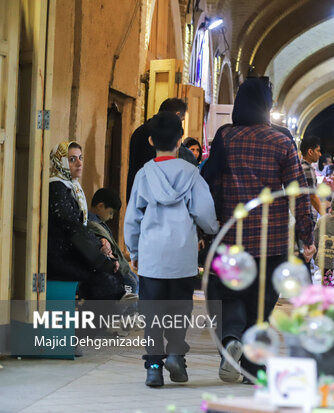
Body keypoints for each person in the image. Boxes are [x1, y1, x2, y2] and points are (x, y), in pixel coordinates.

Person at [203, 78, 315, 383]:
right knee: (261, 303)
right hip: (273, 239)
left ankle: (230, 341)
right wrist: (307, 233)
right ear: (267, 107)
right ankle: (252, 366)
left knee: (230, 294)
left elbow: (208, 178)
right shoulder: (282, 141)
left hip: (232, 236)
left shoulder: (225, 137)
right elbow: (298, 192)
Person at [124, 111, 219, 387]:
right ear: (180, 141)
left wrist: (135, 252)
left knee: (152, 313)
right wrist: (212, 228)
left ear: (151, 140)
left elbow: (133, 218)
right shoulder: (192, 174)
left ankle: (154, 367)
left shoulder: (144, 175)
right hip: (182, 258)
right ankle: (176, 353)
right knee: (179, 310)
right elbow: (204, 213)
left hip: (152, 257)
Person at [47, 141, 125, 300]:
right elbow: (73, 229)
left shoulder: (72, 187)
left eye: (80, 158)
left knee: (115, 276)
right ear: (60, 162)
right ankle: (88, 324)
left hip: (72, 252)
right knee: (108, 281)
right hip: (60, 257)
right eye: (72, 159)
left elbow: (80, 227)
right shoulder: (57, 188)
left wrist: (101, 242)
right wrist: (102, 259)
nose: (79, 163)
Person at [126, 98, 197, 199]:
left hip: (136, 190)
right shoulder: (164, 135)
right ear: (177, 115)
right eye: (181, 120)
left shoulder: (140, 130)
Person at [88, 188, 138, 296]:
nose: (111, 217)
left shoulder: (100, 224)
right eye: (111, 212)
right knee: (130, 294)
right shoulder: (93, 224)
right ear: (100, 206)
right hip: (118, 273)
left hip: (124, 272)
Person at [300, 135, 323, 224]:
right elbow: (312, 197)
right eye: (318, 151)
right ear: (310, 151)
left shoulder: (299, 166)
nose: (320, 154)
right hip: (307, 216)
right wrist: (325, 216)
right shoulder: (307, 169)